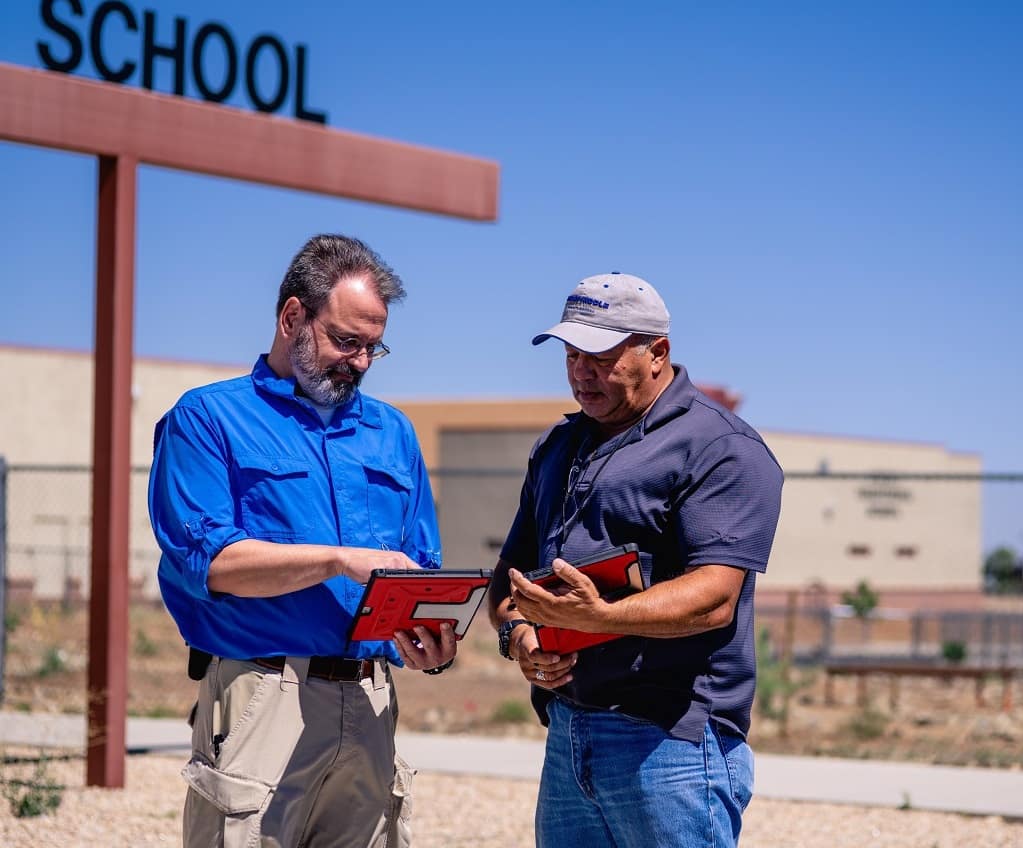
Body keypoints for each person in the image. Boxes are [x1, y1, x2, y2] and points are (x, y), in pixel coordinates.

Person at [149, 233, 454, 848]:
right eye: (347, 341)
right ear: (293, 317)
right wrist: (338, 561)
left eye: (374, 347)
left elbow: (420, 570)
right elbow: (212, 562)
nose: (361, 362)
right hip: (262, 698)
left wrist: (430, 643)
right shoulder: (208, 419)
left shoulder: (392, 433)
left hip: (372, 704)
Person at [488, 272, 784, 848]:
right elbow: (510, 581)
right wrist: (519, 635)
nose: (580, 371)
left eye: (599, 355)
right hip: (568, 731)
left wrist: (598, 619)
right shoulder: (557, 447)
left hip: (671, 744)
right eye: (571, 355)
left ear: (658, 353)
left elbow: (715, 597)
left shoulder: (719, 446)